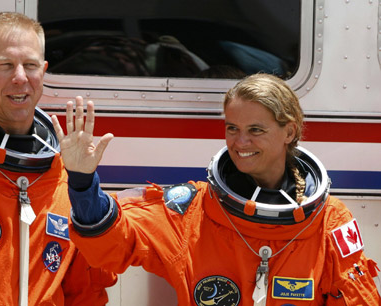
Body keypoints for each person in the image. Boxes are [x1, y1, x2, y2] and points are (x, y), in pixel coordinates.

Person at [52, 73, 381, 305]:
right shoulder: (193, 210)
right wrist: (82, 182)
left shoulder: (327, 220)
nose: (240, 142)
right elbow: (114, 244)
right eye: (232, 128)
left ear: (289, 131)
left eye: (255, 130)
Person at [0, 12, 116, 305]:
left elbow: (85, 291)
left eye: (30, 65)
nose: (20, 78)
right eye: (5, 65)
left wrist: (83, 183)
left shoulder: (66, 171)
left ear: (43, 71)